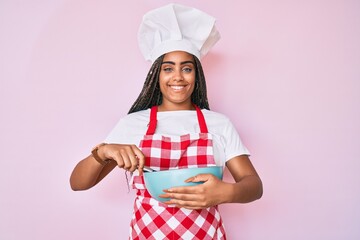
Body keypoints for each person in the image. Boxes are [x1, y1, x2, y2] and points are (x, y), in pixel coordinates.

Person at [70, 3, 262, 240]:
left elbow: (254, 185)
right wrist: (104, 152)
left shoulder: (218, 124)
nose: (178, 77)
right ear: (157, 75)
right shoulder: (133, 124)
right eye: (168, 68)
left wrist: (226, 192)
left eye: (187, 68)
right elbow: (77, 183)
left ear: (197, 75)